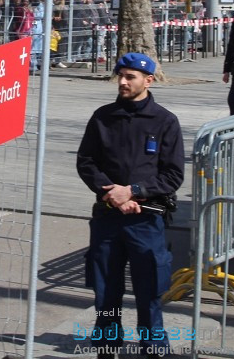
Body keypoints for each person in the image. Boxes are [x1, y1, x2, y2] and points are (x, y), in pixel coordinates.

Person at [76, 52, 185, 356]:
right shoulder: (103, 117)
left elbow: (173, 174)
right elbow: (86, 162)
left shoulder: (165, 121)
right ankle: (107, 348)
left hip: (146, 221)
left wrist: (135, 191)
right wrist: (110, 193)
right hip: (108, 217)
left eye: (130, 77)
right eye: (120, 76)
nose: (122, 82)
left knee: (149, 292)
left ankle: (152, 349)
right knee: (106, 292)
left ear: (148, 80)